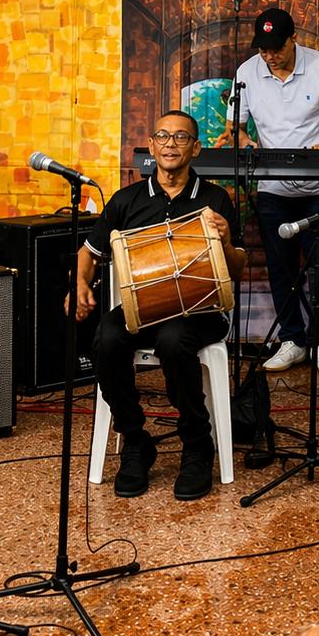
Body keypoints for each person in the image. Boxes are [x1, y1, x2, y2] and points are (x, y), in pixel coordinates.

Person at [74, 111, 247, 500]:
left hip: (201, 311)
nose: (171, 144)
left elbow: (237, 269)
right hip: (143, 308)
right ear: (151, 146)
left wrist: (224, 239)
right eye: (163, 136)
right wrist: (80, 283)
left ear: (196, 148)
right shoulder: (127, 200)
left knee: (173, 340)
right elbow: (88, 252)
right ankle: (135, 440)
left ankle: (197, 445)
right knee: (106, 337)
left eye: (181, 137)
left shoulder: (215, 199)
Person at [219, 7, 319, 376]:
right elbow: (234, 127)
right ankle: (292, 339)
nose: (270, 56)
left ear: (294, 39)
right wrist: (244, 140)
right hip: (273, 186)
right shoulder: (246, 73)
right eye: (263, 49)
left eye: (277, 48)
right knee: (280, 267)